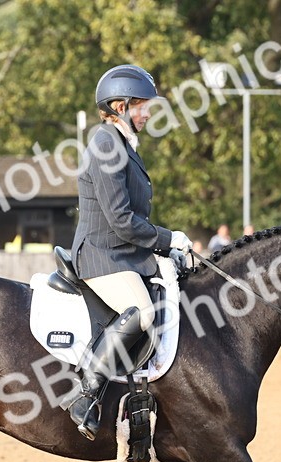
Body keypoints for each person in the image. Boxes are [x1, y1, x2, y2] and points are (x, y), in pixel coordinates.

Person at [67, 64, 191, 440]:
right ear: (120, 106)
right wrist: (169, 240)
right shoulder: (106, 143)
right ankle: (86, 394)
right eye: (143, 106)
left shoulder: (121, 143)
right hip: (103, 255)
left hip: (124, 253)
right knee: (142, 311)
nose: (149, 113)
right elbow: (121, 219)